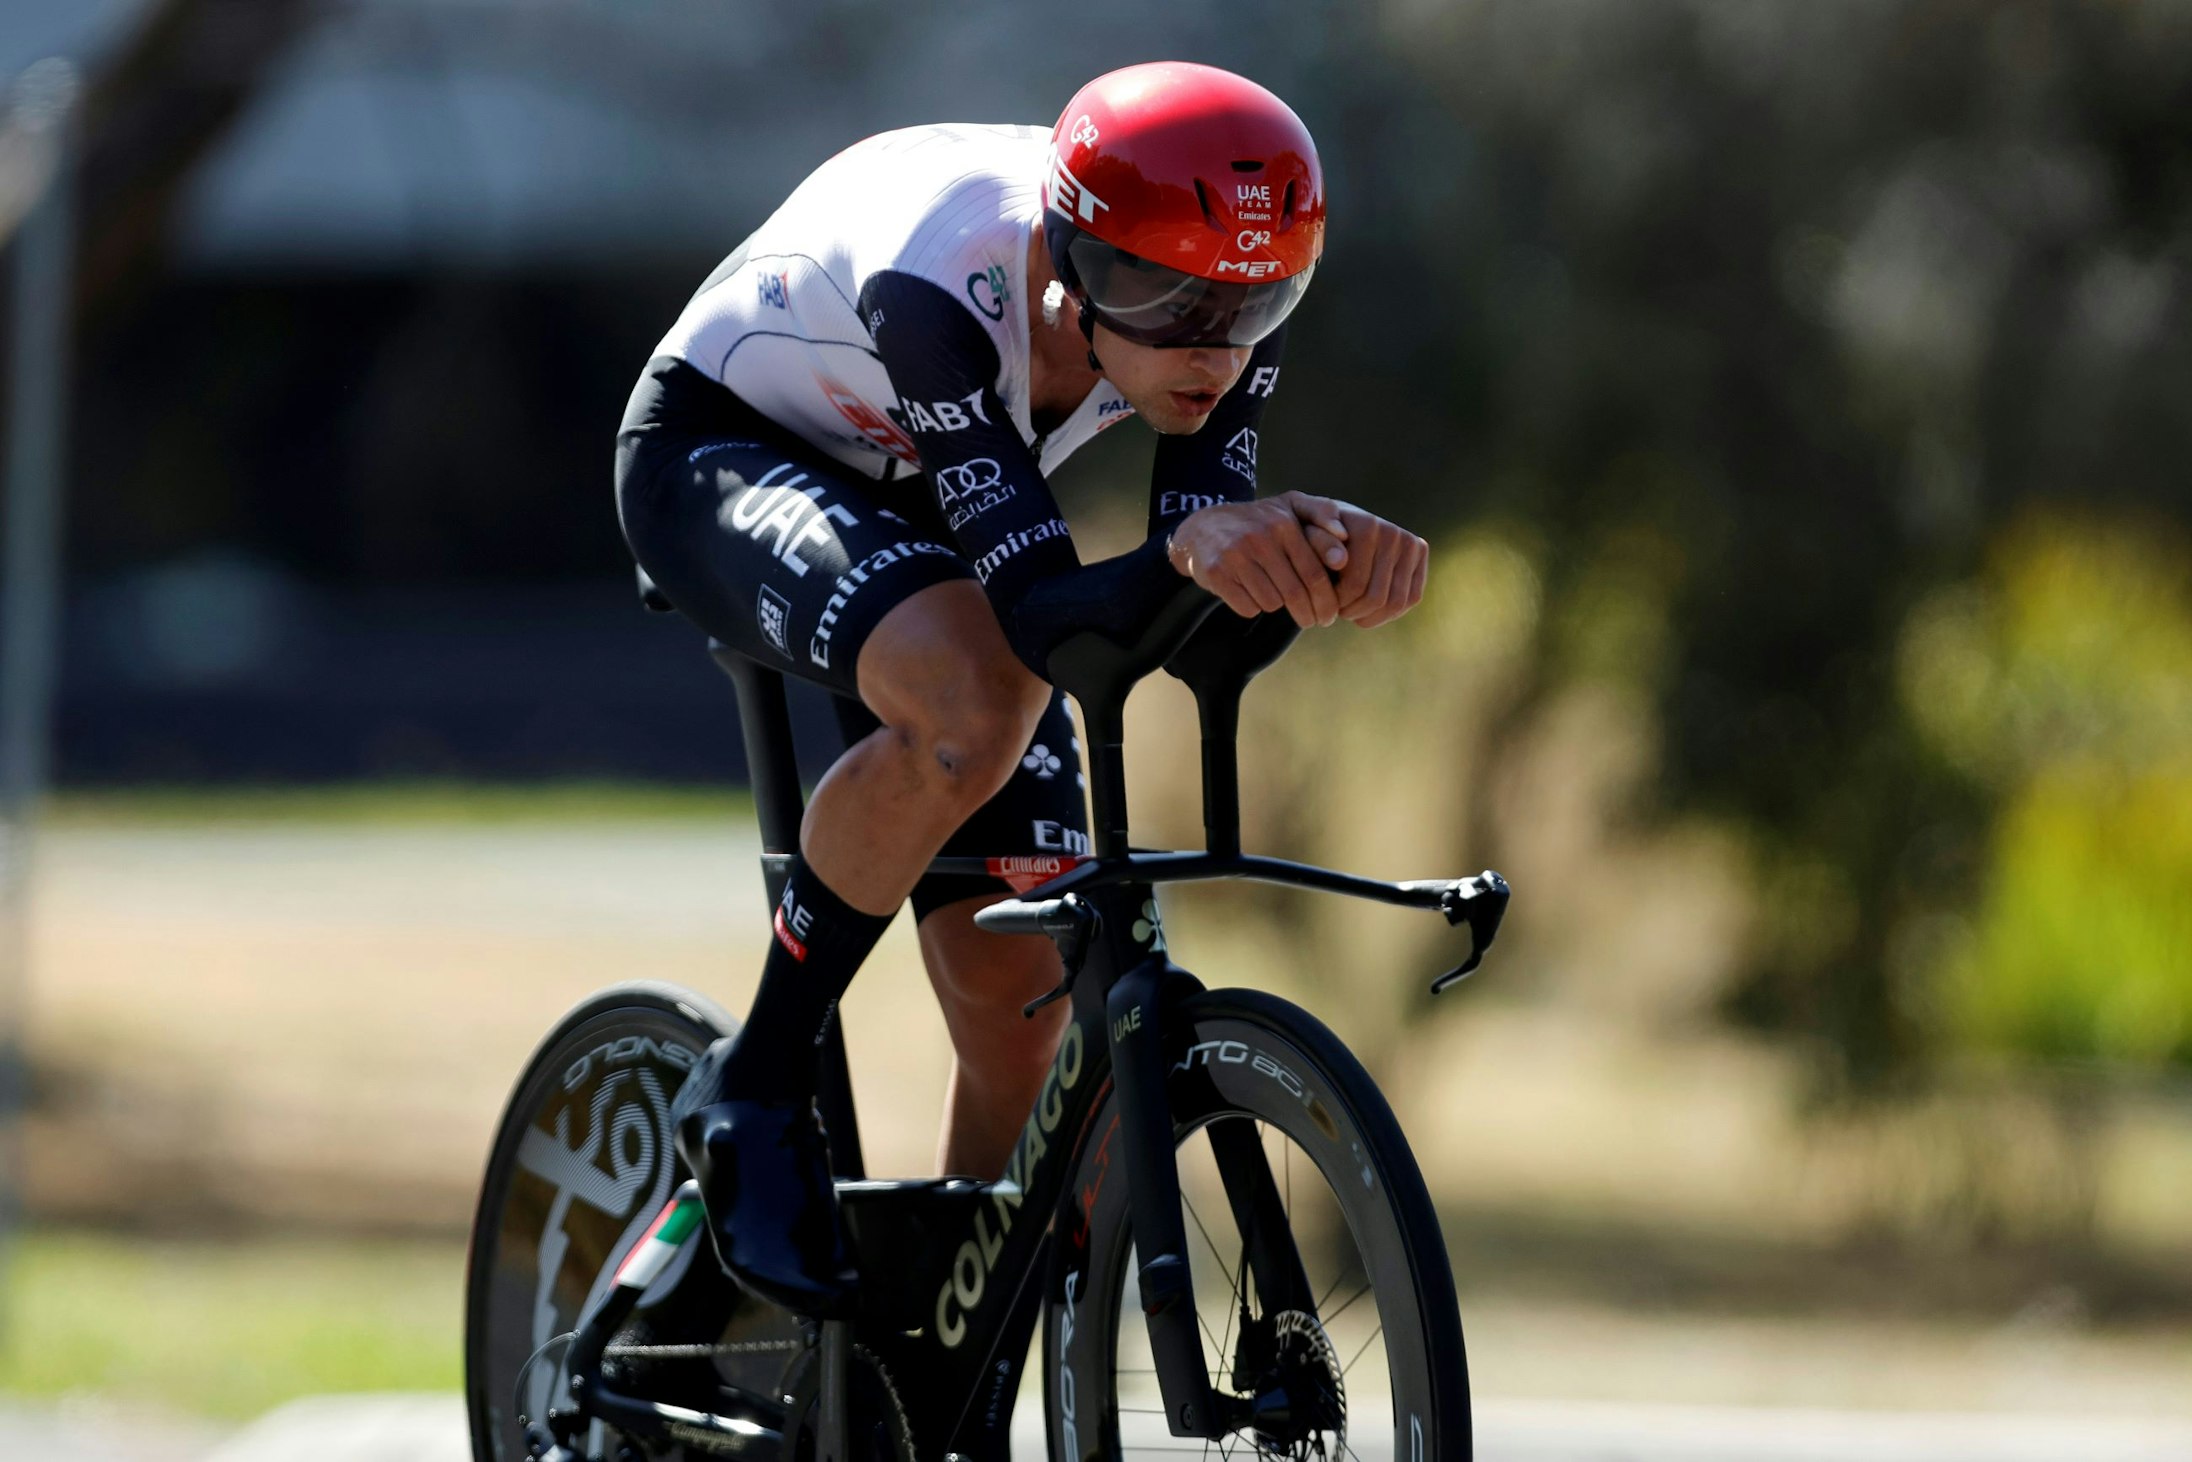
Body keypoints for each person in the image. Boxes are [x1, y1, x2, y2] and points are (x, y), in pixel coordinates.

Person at [614, 61, 1428, 1322]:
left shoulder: (1212, 315)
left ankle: (943, 1352)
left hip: (914, 488)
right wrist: (1189, 556)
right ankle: (755, 1082)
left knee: (1016, 1008)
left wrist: (1308, 565)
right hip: (726, 444)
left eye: (1255, 302)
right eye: (1157, 299)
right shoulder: (946, 278)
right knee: (972, 703)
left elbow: (1177, 588)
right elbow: (1045, 614)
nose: (1207, 347)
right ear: (1064, 262)